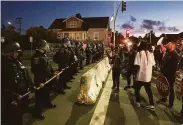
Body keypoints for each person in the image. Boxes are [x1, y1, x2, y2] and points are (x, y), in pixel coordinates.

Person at [2, 42, 33, 125]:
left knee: (19, 117)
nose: (18, 54)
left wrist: (31, 84)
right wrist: (13, 95)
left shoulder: (17, 62)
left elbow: (25, 74)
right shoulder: (3, 65)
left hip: (21, 97)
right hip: (11, 100)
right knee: (11, 119)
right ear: (10, 52)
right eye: (16, 52)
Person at [31, 39, 57, 120]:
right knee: (39, 97)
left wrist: (53, 73)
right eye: (47, 45)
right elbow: (35, 70)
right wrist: (39, 82)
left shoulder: (44, 55)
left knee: (47, 93)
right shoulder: (37, 57)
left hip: (47, 78)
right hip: (41, 80)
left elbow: (48, 66)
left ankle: (47, 103)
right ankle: (37, 112)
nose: (48, 47)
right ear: (43, 47)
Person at [157, 42, 180, 109]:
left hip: (170, 75)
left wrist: (172, 74)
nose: (167, 45)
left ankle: (170, 103)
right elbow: (164, 63)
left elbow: (175, 67)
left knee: (170, 89)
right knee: (164, 87)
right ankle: (164, 98)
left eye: (169, 45)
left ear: (173, 46)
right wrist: (161, 71)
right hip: (164, 74)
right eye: (167, 44)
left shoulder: (175, 55)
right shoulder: (167, 53)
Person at [133, 42, 155, 111]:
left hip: (141, 76)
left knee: (137, 89)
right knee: (149, 91)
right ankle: (152, 105)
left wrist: (135, 75)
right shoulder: (151, 53)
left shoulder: (139, 53)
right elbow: (153, 64)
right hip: (148, 77)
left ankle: (138, 102)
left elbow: (137, 65)